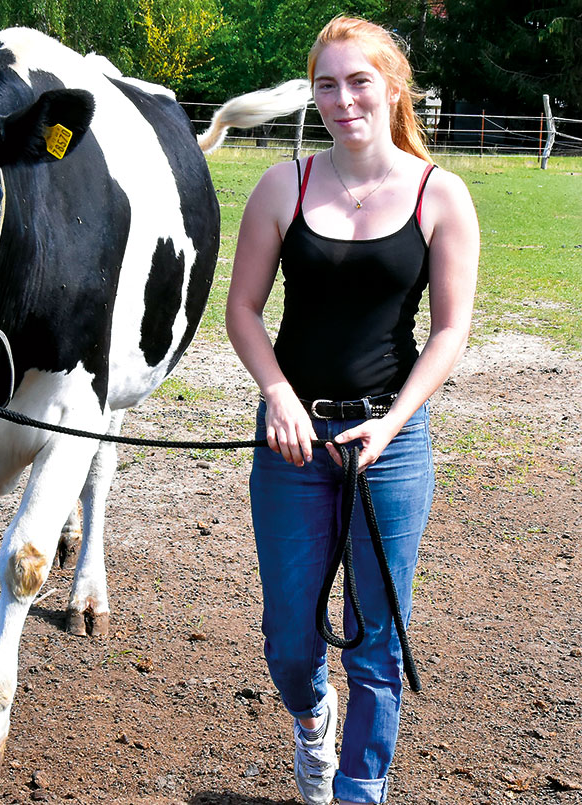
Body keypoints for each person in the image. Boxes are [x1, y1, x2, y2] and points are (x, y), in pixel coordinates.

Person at [225, 15, 479, 805]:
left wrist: (393, 423)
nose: (342, 100)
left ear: (393, 87)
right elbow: (242, 309)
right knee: (289, 640)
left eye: (358, 81)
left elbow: (449, 330)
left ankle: (362, 788)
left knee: (374, 639)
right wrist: (278, 397)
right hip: (293, 443)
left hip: (389, 444)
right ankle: (311, 720)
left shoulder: (441, 194)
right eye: (326, 85)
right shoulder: (285, 184)